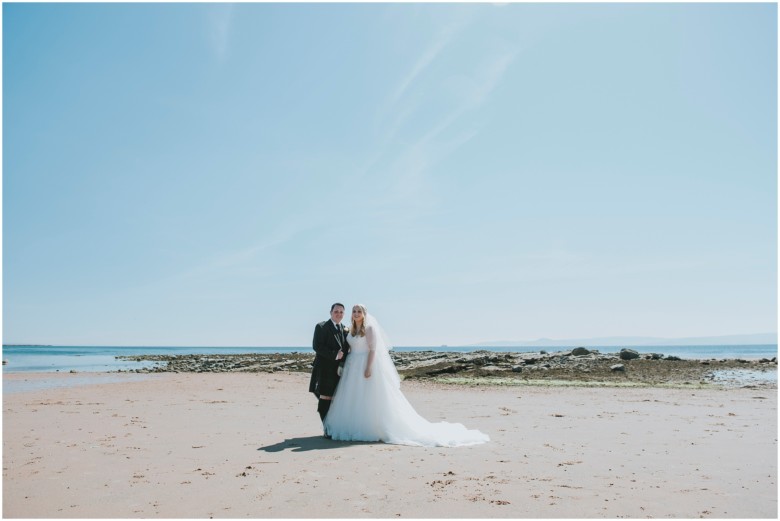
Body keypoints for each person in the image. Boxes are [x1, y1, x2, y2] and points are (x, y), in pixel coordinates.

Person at [324, 304, 489, 447]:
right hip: (352, 367)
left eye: (359, 311)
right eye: (354, 311)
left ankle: (371, 427)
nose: (356, 313)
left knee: (368, 397)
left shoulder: (369, 328)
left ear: (364, 314)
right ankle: (353, 426)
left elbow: (373, 350)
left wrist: (368, 367)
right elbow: (348, 348)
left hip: (364, 365)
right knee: (353, 398)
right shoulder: (351, 330)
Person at [309, 303, 349, 433]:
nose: (338, 314)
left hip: (339, 370)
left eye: (341, 312)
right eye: (336, 311)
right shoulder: (321, 327)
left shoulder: (345, 329)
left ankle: (333, 426)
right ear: (330, 312)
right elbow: (317, 346)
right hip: (324, 368)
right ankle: (326, 428)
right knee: (325, 397)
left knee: (336, 398)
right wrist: (334, 355)